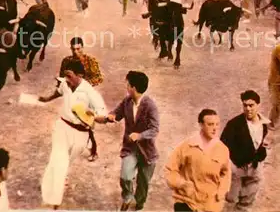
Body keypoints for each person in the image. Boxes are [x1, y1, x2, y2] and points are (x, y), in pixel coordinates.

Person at [39, 59, 107, 210]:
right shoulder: (65, 83)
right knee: (59, 160)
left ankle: (54, 183)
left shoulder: (89, 92)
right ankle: (54, 200)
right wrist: (47, 98)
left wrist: (93, 115)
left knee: (65, 162)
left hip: (81, 134)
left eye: (69, 76)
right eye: (65, 76)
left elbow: (103, 114)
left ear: (80, 75)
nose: (66, 80)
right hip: (62, 127)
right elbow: (59, 91)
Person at [97, 71, 159, 211]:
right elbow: (117, 113)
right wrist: (111, 116)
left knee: (143, 184)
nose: (126, 86)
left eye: (128, 84)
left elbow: (155, 129)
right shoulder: (127, 101)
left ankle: (139, 203)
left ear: (134, 87)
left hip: (147, 152)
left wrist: (140, 135)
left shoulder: (150, 106)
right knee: (125, 176)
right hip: (130, 149)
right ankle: (127, 197)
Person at [165, 109, 231, 212]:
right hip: (186, 201)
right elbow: (170, 169)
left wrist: (221, 192)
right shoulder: (187, 146)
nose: (215, 128)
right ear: (201, 125)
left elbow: (225, 173)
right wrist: (181, 184)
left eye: (217, 124)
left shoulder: (223, 149)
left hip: (210, 205)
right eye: (210, 124)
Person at [220, 90, 270, 212]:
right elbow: (222, 146)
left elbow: (264, 144)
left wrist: (260, 160)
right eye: (245, 105)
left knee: (247, 201)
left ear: (258, 105)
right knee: (230, 199)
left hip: (255, 167)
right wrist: (230, 166)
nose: (248, 109)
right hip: (237, 168)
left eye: (251, 105)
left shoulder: (265, 124)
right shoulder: (234, 124)